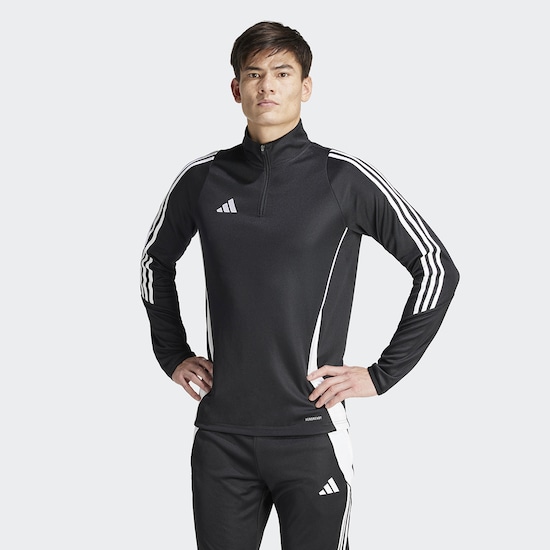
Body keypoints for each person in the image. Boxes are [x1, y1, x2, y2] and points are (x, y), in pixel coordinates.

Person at [140, 20, 459, 550]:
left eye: (282, 73)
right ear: (236, 89)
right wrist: (172, 353)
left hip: (312, 436)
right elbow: (155, 262)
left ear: (305, 87)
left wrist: (383, 374)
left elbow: (436, 267)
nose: (267, 85)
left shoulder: (343, 178)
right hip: (222, 437)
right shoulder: (203, 179)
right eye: (254, 73)